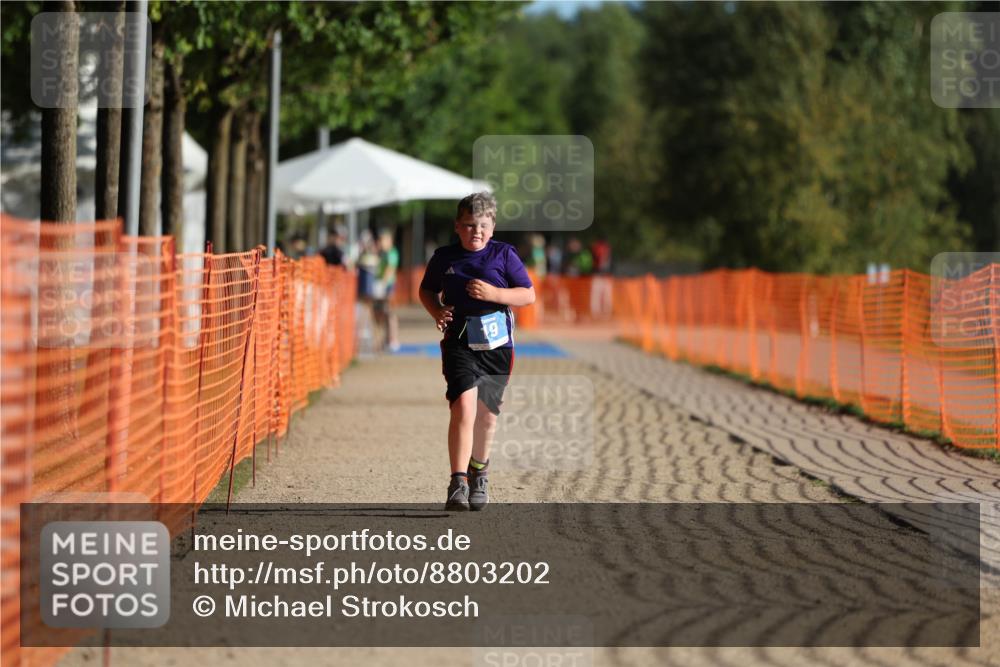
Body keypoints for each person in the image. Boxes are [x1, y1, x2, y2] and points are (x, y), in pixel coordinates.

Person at [418, 192, 535, 511]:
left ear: (493, 227)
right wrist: (436, 310)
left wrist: (496, 293)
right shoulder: (444, 257)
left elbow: (528, 295)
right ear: (458, 226)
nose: (476, 231)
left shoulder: (504, 254)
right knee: (463, 408)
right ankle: (458, 482)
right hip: (459, 342)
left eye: (483, 225)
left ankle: (479, 472)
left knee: (487, 416)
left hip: (498, 347)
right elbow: (426, 289)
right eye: (469, 225)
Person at [373, 229, 400, 352]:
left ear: (389, 241)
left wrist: (382, 284)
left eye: (383, 240)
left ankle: (393, 340)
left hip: (388, 287)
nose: (381, 242)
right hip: (381, 286)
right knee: (380, 314)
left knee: (390, 313)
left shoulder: (392, 253)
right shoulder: (382, 253)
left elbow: (390, 269)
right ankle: (384, 340)